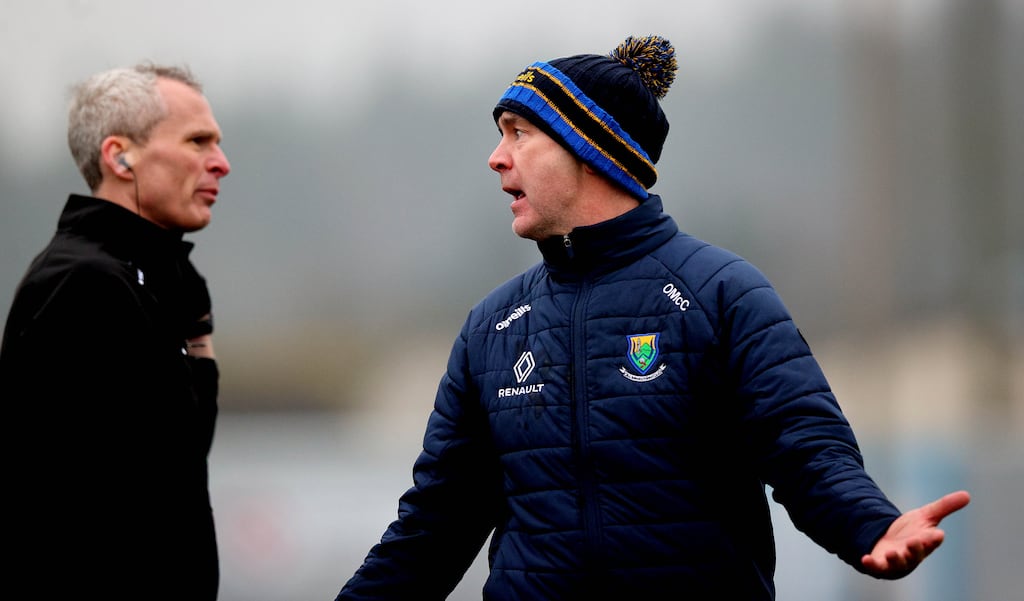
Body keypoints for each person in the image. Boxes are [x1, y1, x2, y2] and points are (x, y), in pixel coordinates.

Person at [334, 35, 970, 600]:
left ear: (590, 150)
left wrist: (874, 526)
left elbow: (805, 449)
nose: (497, 158)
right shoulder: (491, 325)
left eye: (517, 133)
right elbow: (434, 524)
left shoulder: (722, 293)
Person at [1, 63, 231, 600]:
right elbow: (92, 510)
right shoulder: (83, 283)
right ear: (119, 156)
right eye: (198, 142)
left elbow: (176, 465)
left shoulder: (151, 281)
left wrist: (194, 325)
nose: (220, 163)